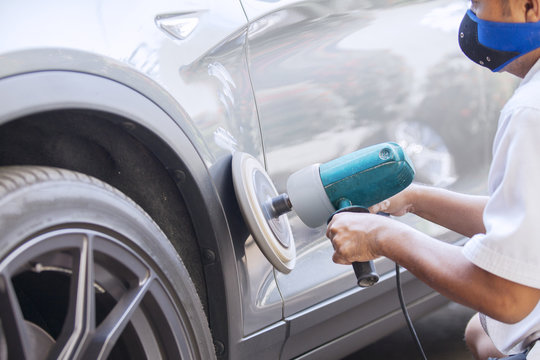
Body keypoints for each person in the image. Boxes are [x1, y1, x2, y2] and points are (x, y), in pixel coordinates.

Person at [326, 0, 540, 359]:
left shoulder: (530, 112)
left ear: (530, 7)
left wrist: (382, 236)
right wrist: (413, 198)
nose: (471, 18)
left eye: (478, 3)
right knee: (481, 334)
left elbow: (507, 296)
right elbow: (530, 222)